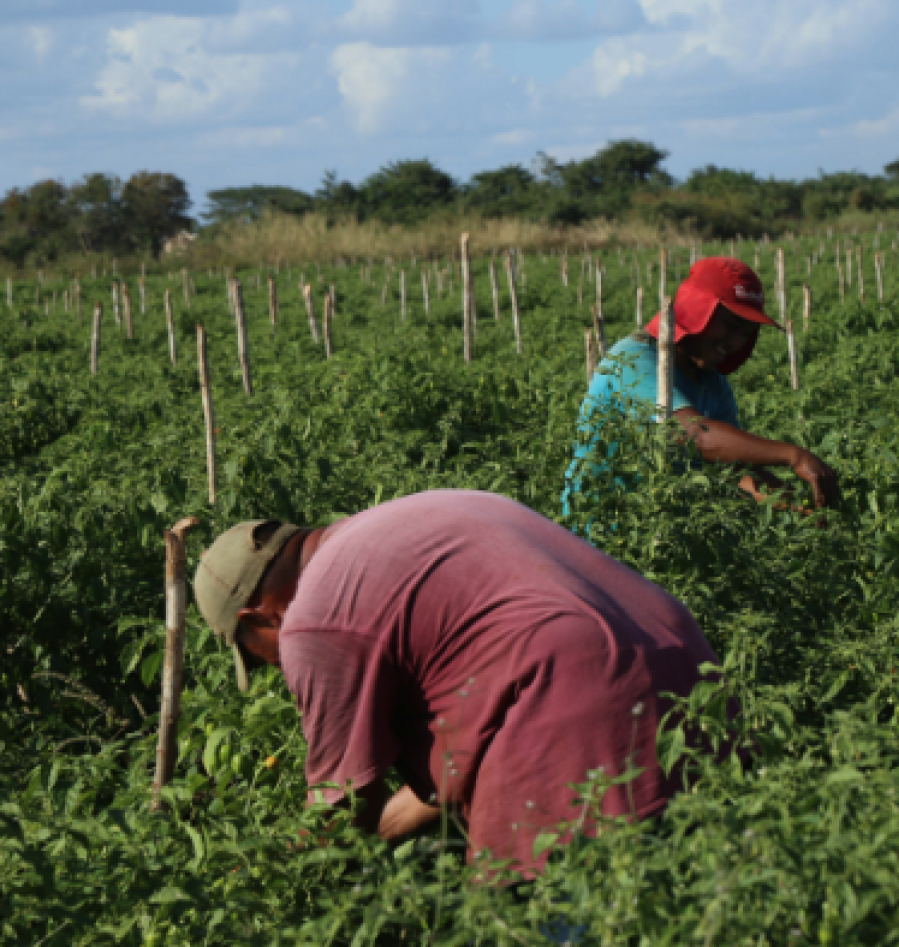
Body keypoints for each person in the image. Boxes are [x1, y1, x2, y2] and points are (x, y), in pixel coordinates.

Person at [193, 490, 722, 878]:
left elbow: (343, 806)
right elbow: (466, 753)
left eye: (257, 656)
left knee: (533, 920)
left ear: (257, 617)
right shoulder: (409, 518)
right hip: (694, 684)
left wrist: (269, 883)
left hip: (579, 718)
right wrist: (385, 823)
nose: (276, 668)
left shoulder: (312, 620)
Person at [562, 257, 840, 516]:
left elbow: (735, 469)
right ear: (697, 309)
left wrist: (800, 507)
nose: (736, 342)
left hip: (664, 532)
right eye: (730, 325)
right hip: (601, 531)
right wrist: (794, 456)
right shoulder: (633, 360)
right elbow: (695, 435)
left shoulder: (713, 382)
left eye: (745, 333)